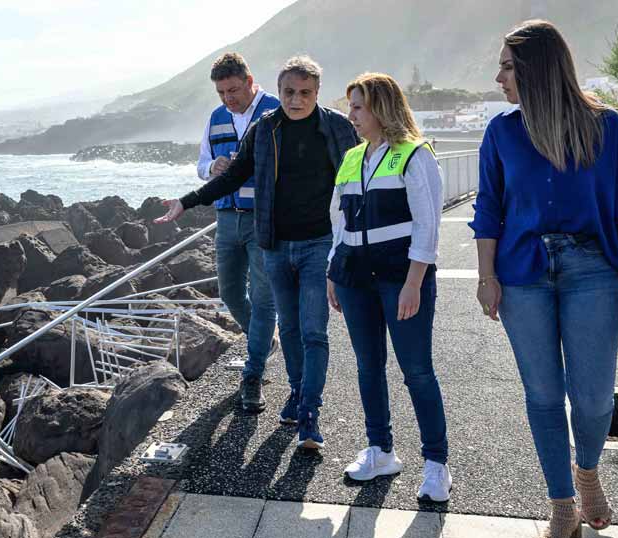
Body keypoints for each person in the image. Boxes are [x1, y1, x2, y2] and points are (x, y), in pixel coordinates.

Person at [470, 20, 618, 538]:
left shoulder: (608, 128)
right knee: (542, 395)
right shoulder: (502, 133)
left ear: (535, 68)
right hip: (522, 272)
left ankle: (587, 473)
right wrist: (487, 278)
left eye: (508, 66)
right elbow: (488, 210)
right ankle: (561, 506)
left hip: (592, 271)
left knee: (596, 395)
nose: (499, 76)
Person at [158, 55, 358, 449]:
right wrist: (188, 200)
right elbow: (234, 173)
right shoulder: (266, 129)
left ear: (316, 93)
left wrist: (354, 243)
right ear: (279, 91)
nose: (296, 100)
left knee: (313, 331)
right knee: (289, 328)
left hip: (320, 244)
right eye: (289, 92)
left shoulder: (336, 127)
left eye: (305, 93)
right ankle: (298, 393)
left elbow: (358, 182)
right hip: (276, 245)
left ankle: (309, 414)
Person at [327, 72, 451, 501]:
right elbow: (338, 221)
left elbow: (428, 226)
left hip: (401, 278)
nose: (352, 115)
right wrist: (332, 272)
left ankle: (436, 464)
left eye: (358, 107)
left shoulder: (415, 155)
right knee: (367, 367)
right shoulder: (352, 158)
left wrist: (414, 283)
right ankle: (380, 450)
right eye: (351, 107)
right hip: (355, 279)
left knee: (417, 371)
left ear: (381, 108)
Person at [194, 52, 282, 413]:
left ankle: (253, 374)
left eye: (232, 89)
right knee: (230, 293)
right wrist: (211, 166)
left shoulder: (277, 109)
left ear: (249, 81)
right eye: (221, 92)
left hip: (265, 217)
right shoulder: (215, 119)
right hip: (226, 218)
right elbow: (200, 165)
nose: (228, 98)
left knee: (263, 299)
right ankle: (263, 341)